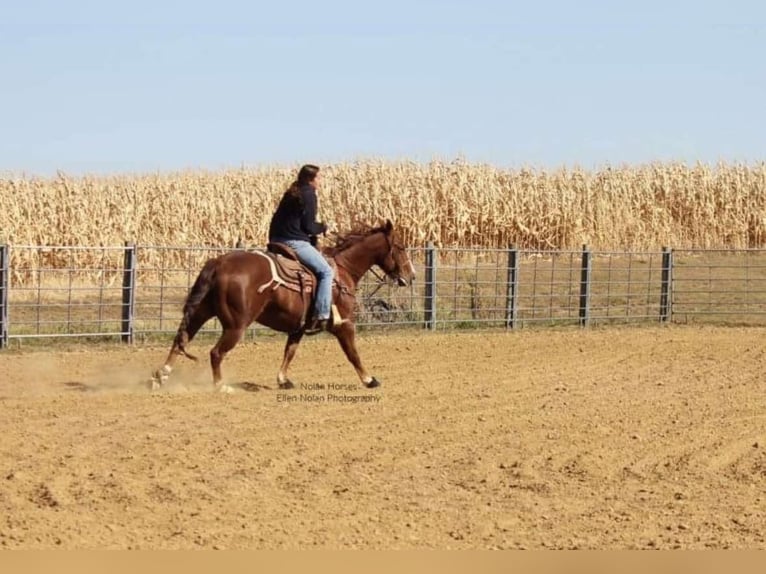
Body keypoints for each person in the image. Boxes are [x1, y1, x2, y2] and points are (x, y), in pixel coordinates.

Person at [268, 164, 334, 331]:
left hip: (277, 240)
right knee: (326, 272)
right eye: (319, 177)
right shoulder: (309, 194)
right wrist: (325, 228)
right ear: (311, 179)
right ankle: (322, 315)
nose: (321, 181)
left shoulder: (292, 192)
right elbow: (309, 227)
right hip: (294, 242)